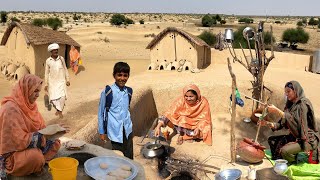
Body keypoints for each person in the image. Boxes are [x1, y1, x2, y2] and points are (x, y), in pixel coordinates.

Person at [0, 74, 65, 177]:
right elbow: (17, 141)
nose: (38, 95)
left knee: (55, 143)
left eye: (39, 91)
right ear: (26, 89)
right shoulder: (10, 110)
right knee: (36, 157)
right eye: (35, 91)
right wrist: (42, 137)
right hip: (13, 153)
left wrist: (55, 130)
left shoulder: (31, 105)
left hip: (29, 144)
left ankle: (37, 162)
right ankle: (35, 163)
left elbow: (41, 128)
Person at [263, 81, 319, 164]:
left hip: (307, 139)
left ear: (295, 91)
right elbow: (281, 123)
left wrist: (277, 111)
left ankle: (293, 162)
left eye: (288, 91)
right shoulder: (290, 105)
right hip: (294, 137)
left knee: (284, 151)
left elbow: (298, 125)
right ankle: (291, 156)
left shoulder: (303, 104)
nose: (286, 94)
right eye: (285, 92)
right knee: (272, 140)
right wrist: (267, 123)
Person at [98, 62, 134, 159]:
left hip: (127, 129)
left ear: (128, 76)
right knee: (118, 158)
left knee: (129, 157)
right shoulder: (107, 92)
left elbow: (127, 108)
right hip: (115, 131)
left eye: (125, 75)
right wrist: (101, 132)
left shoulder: (129, 91)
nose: (122, 78)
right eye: (119, 75)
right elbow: (101, 112)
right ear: (114, 75)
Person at [44, 43, 70, 119]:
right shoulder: (48, 61)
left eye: (56, 50)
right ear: (51, 52)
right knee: (53, 98)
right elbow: (46, 73)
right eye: (54, 50)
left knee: (62, 96)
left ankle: (60, 111)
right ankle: (59, 109)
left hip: (61, 81)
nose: (56, 51)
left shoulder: (61, 59)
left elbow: (65, 69)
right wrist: (46, 84)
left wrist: (67, 79)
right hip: (52, 82)